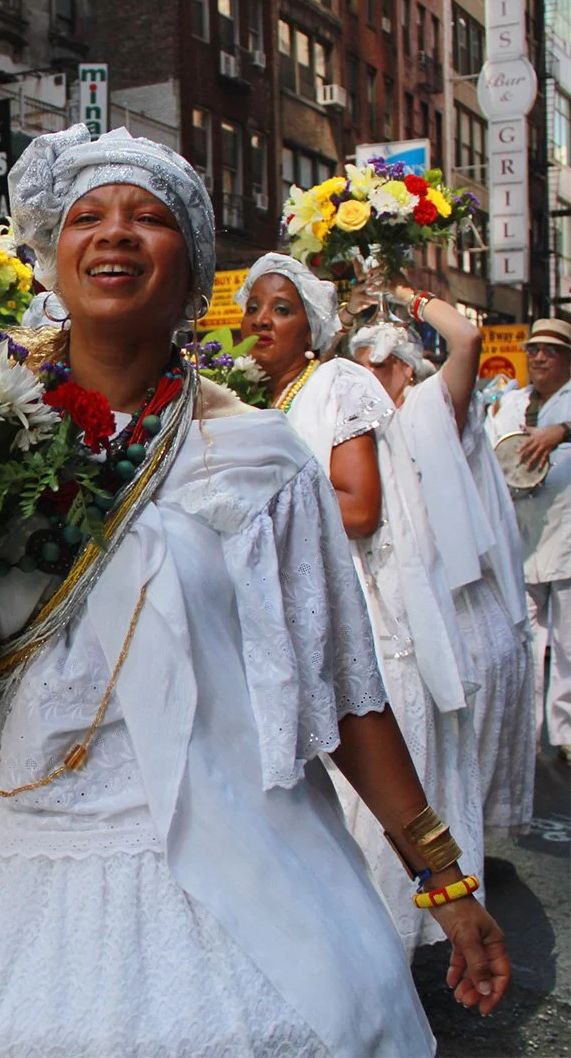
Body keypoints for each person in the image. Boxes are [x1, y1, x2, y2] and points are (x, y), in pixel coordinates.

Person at [0, 128, 507, 1058]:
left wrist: (443, 878)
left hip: (208, 834)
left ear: (192, 265)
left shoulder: (266, 459)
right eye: (87, 216)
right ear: (52, 253)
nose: (115, 234)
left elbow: (348, 689)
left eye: (149, 218)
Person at [236, 253, 485, 955]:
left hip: (344, 601)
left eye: (280, 309)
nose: (260, 320)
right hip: (272, 612)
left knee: (351, 793)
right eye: (253, 306)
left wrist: (251, 516)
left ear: (312, 327)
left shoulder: (335, 382)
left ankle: (377, 958)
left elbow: (361, 506)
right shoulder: (253, 396)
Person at [347, 286, 535, 835]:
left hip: (450, 606)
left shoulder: (432, 412)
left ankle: (452, 862)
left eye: (384, 365)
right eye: (361, 368)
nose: (371, 377)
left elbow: (467, 337)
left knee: (448, 751)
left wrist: (401, 293)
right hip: (385, 607)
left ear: (409, 372)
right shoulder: (352, 432)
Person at [486, 317, 571, 759]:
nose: (539, 357)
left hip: (567, 531)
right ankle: (529, 731)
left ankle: (566, 732)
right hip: (520, 533)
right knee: (525, 635)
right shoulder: (509, 402)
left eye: (551, 350)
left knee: (569, 640)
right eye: (534, 349)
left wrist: (563, 432)